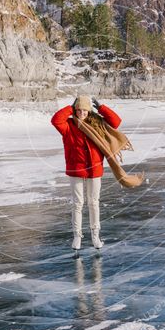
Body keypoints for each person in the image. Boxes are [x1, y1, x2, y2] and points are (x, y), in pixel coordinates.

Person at [51, 95, 122, 251]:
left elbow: (116, 122)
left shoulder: (97, 125)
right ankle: (77, 236)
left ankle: (95, 236)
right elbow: (55, 120)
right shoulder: (68, 126)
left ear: (89, 111)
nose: (81, 113)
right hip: (76, 169)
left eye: (84, 110)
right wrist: (70, 107)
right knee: (77, 204)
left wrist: (101, 107)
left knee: (93, 203)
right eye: (78, 110)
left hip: (94, 169)